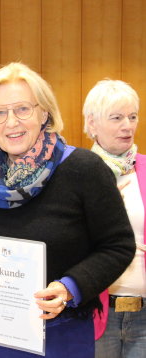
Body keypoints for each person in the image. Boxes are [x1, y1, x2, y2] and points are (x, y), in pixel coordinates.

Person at [0, 62, 136, 358]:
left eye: (22, 109)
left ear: (44, 113)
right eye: (0, 112)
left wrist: (70, 287)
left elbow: (118, 245)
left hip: (60, 336)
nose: (11, 122)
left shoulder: (83, 169)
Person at [83, 79, 146, 358]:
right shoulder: (78, 172)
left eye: (132, 116)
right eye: (117, 117)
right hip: (97, 314)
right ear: (92, 123)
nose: (128, 126)